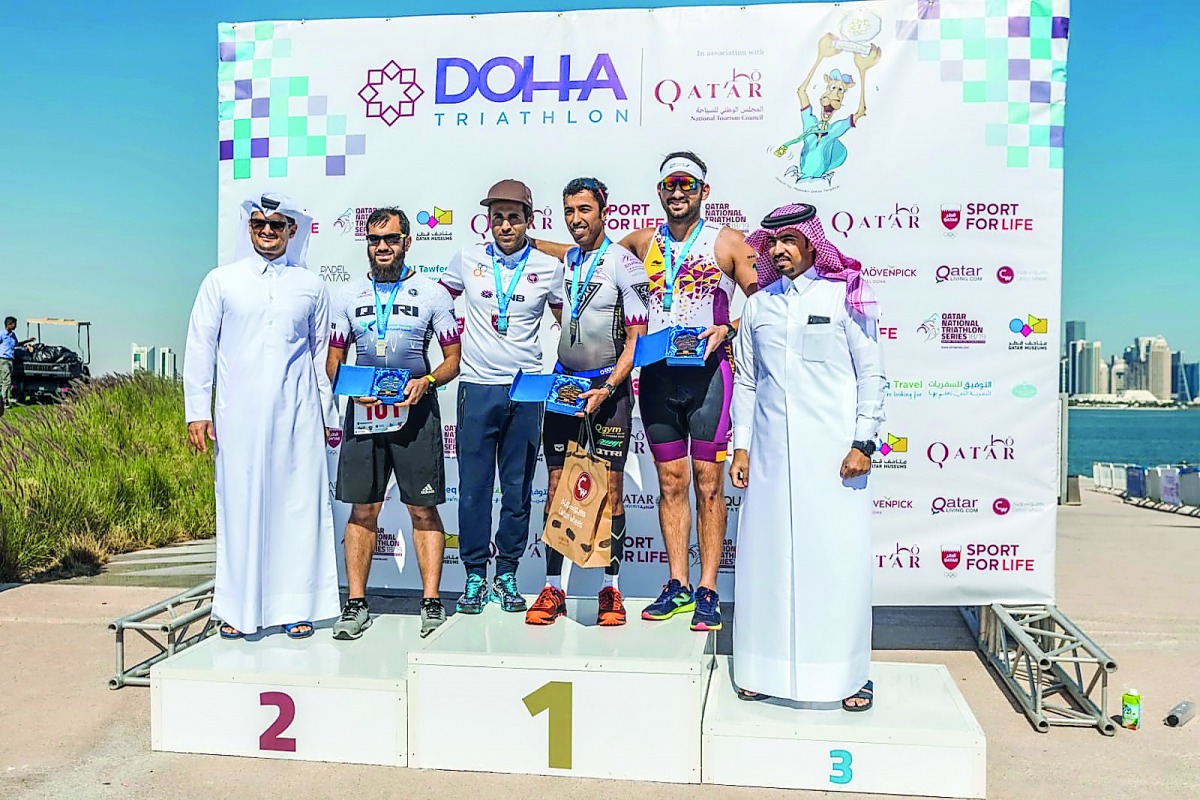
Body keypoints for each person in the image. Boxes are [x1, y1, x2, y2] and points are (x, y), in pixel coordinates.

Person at [729, 203, 885, 711]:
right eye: (772, 243)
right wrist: (742, 446)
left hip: (836, 460)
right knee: (766, 564)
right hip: (771, 460)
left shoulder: (845, 295)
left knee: (836, 566)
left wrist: (864, 442)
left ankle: (850, 675)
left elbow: (872, 374)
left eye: (789, 241)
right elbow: (749, 383)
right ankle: (760, 668)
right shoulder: (759, 306)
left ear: (813, 243)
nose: (778, 250)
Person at [184, 192, 340, 640]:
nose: (267, 231)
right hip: (239, 417)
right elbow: (200, 347)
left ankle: (299, 606)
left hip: (299, 414)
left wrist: (328, 415)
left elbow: (318, 358)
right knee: (240, 508)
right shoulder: (221, 281)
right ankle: (237, 609)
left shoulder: (311, 286)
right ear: (248, 229)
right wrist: (198, 411)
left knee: (297, 508)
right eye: (258, 225)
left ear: (292, 230)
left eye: (276, 224)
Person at [617, 151, 758, 632]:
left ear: (703, 191)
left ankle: (709, 587)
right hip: (657, 377)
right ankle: (676, 583)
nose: (678, 193)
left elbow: (770, 303)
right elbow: (589, 263)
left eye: (688, 185)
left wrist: (729, 328)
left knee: (709, 486)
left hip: (708, 379)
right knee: (671, 484)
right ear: (659, 192)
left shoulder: (727, 241)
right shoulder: (639, 242)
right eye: (670, 186)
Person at [326, 207, 462, 640]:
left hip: (415, 413)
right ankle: (356, 604)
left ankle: (431, 601)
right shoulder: (347, 295)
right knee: (362, 508)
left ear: (407, 241)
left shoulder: (433, 295)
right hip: (364, 413)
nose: (381, 247)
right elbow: (334, 360)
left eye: (390, 239)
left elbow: (453, 360)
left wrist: (426, 381)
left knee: (422, 508)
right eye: (374, 240)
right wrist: (350, 388)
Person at [525, 178, 648, 626]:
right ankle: (552, 589)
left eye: (584, 210)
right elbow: (563, 264)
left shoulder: (625, 264)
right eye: (569, 212)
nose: (576, 220)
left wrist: (609, 386)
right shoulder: (571, 259)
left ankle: (609, 590)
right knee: (557, 488)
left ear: (603, 210)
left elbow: (636, 341)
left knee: (610, 492)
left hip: (609, 390)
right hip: (565, 387)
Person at [439, 180, 564, 614]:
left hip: (527, 389)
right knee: (473, 489)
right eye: (497, 217)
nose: (505, 225)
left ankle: (507, 573)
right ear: (488, 221)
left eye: (514, 217)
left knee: (518, 490)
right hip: (476, 384)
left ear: (530, 221)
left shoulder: (549, 267)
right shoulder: (467, 259)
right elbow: (438, 304)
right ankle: (475, 575)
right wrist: (445, 350)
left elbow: (570, 324)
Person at [1, 317, 35, 407]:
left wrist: (28, 341)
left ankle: (5, 399)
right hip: (4, 359)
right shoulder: (2, 334)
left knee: (6, 381)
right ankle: (4, 401)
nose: (16, 326)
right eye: (14, 324)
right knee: (6, 381)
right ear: (9, 324)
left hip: (11, 360)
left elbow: (17, 344)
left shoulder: (13, 335)